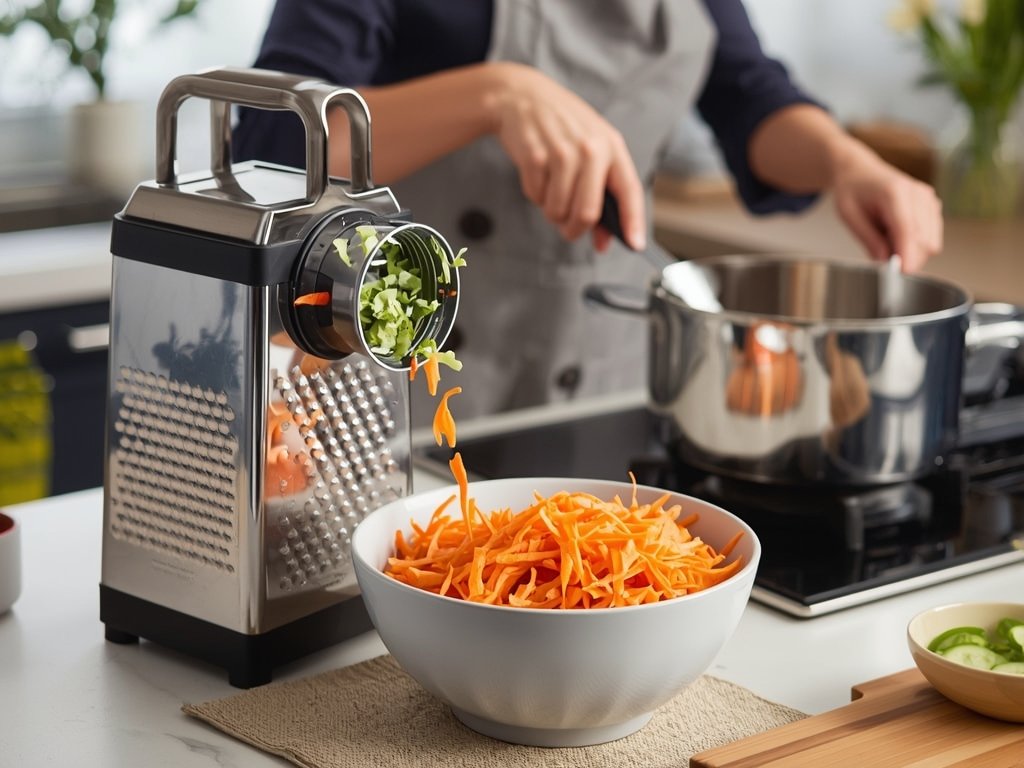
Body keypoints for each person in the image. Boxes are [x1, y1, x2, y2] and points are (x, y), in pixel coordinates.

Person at [233, 0, 943, 424]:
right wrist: (495, 95)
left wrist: (846, 163)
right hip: (400, 369)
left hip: (613, 373)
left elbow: (749, 95)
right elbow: (273, 136)